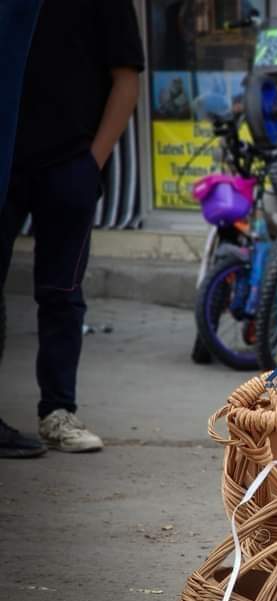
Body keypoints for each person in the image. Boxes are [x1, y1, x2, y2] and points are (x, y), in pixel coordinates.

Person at [0, 0, 144, 457]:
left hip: (68, 164)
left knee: (61, 291)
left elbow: (127, 81)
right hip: (6, 160)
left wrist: (91, 163)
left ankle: (57, 413)